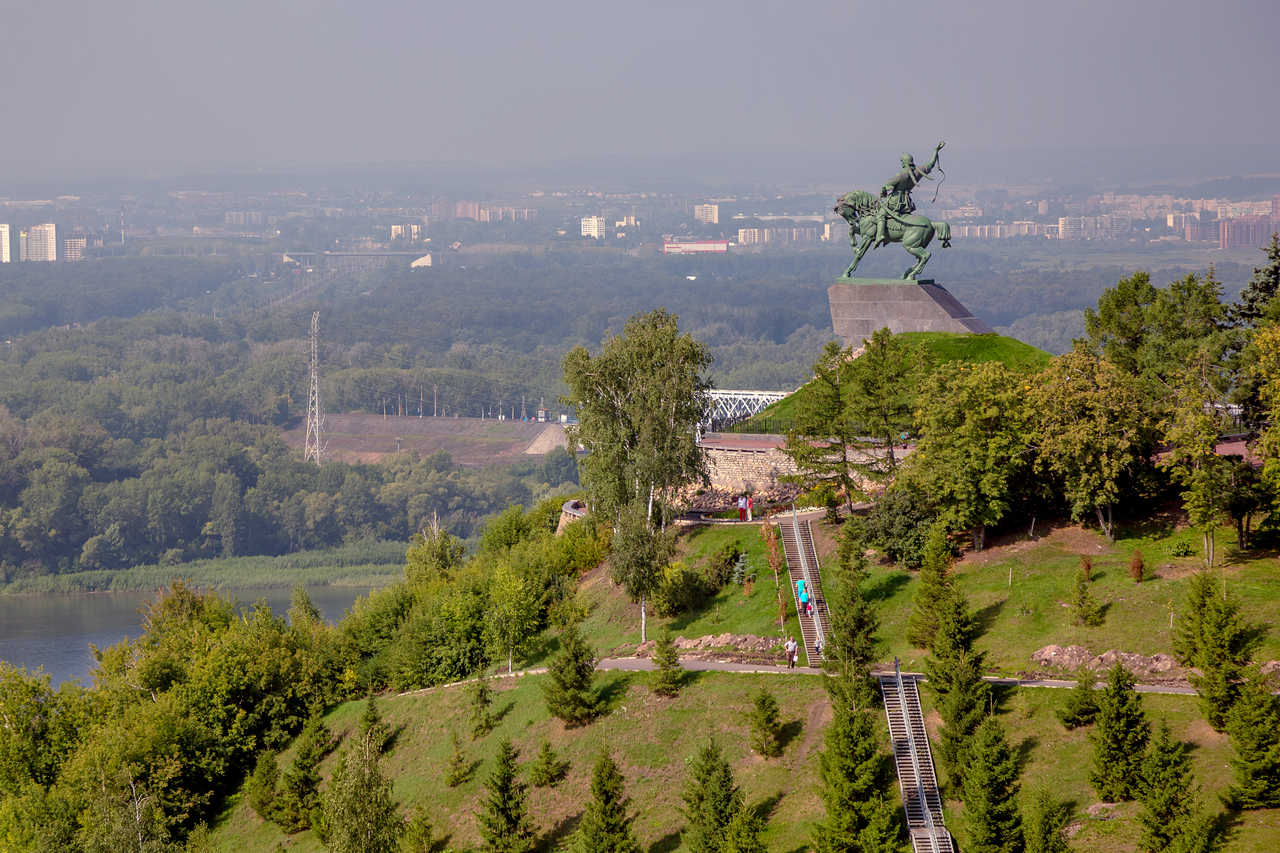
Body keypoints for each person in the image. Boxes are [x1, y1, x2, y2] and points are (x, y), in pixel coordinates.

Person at [873, 141, 945, 248]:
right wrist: (936, 151)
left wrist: (883, 194)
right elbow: (931, 164)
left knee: (880, 214)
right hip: (906, 201)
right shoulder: (918, 171)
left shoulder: (901, 175)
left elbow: (885, 186)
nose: (901, 163)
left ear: (904, 162)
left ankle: (880, 235)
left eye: (901, 161)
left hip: (895, 200)